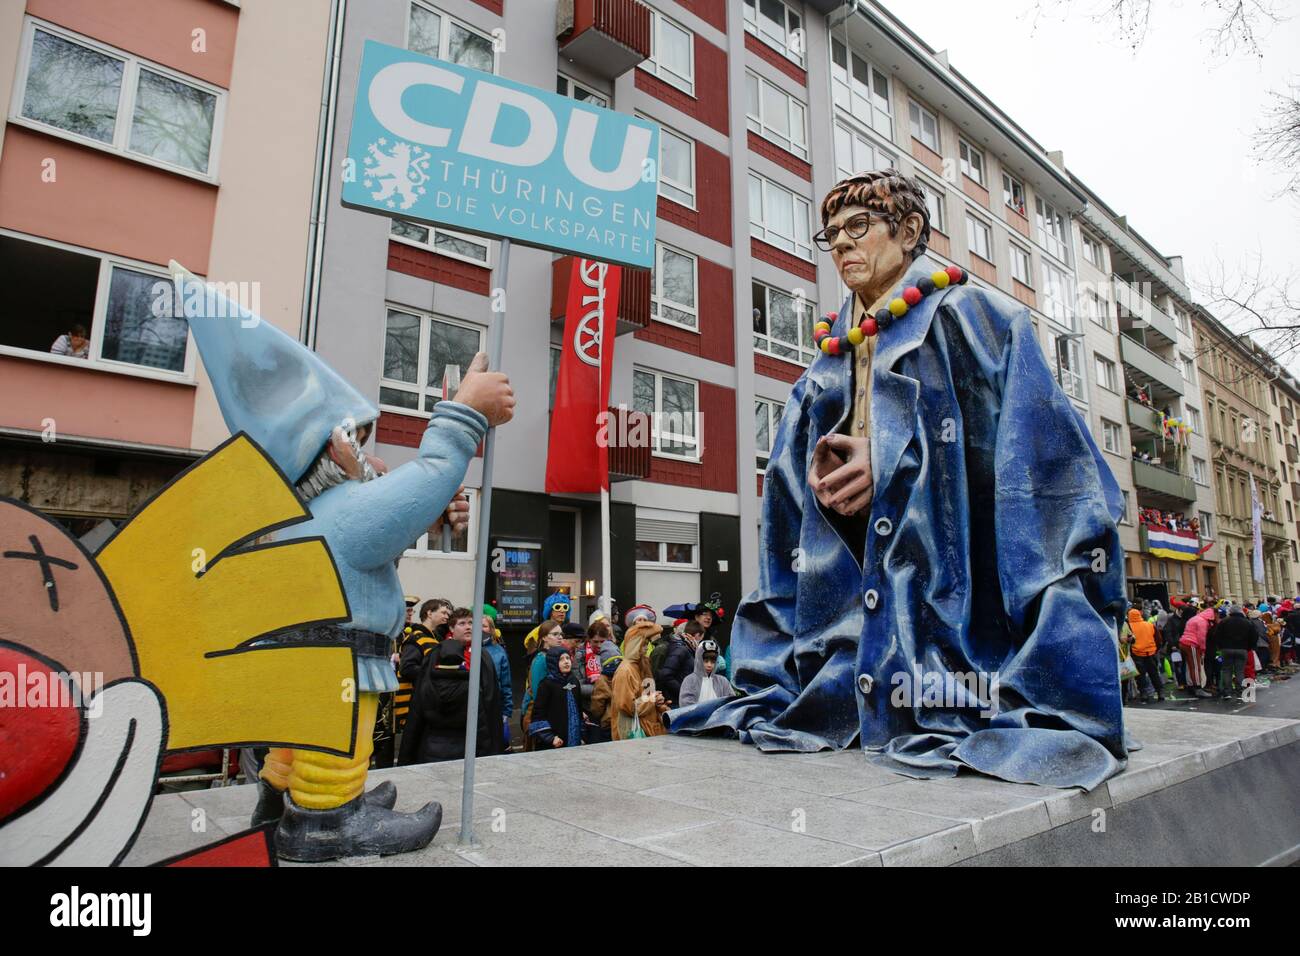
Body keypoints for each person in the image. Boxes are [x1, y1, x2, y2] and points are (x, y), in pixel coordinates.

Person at [670, 169, 1128, 790]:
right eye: (830, 234)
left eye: (858, 227)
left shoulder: (977, 316)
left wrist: (893, 461)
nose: (840, 244)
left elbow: (1040, 462)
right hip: (855, 614)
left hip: (947, 611)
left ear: (910, 231)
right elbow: (784, 502)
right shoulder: (826, 359)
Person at [178, 265, 514, 860]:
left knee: (301, 732)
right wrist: (466, 411)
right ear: (330, 445)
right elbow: (431, 474)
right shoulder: (341, 511)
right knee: (340, 732)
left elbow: (385, 525)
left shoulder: (307, 514)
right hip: (340, 656)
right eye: (357, 439)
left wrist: (430, 519)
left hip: (307, 651)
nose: (366, 452)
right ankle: (328, 819)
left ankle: (280, 803)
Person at [403, 638, 494, 764]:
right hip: (463, 750)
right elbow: (481, 726)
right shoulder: (471, 688)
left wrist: (407, 756)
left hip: (431, 749)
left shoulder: (426, 686)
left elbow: (415, 722)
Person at [610, 618, 669, 739]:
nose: (647, 648)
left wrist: (659, 702)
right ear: (635, 645)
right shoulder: (625, 671)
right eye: (644, 644)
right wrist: (652, 699)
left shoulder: (644, 664)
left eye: (648, 643)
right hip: (631, 733)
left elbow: (648, 694)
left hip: (649, 730)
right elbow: (628, 707)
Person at [394, 598, 446, 732]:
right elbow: (407, 668)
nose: (447, 616)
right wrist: (436, 672)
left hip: (427, 701)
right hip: (414, 704)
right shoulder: (416, 637)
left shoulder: (436, 638)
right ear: (429, 613)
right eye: (443, 612)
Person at [529, 646, 587, 749]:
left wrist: (581, 735)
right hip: (555, 741)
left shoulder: (574, 681)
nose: (566, 662)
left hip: (573, 739)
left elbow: (578, 709)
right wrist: (550, 737)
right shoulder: (546, 684)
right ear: (553, 662)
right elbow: (538, 714)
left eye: (568, 658)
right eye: (561, 659)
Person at [521, 621, 565, 751]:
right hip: (539, 714)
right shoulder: (541, 659)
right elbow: (537, 692)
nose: (560, 637)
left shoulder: (558, 656)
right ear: (544, 637)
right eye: (555, 634)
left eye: (561, 634)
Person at [478, 604, 513, 752]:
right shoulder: (466, 648)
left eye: (485, 626)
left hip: (494, 703)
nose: (481, 629)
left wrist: (506, 711)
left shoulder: (499, 652)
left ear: (491, 630)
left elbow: (506, 683)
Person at [1121, 606, 1163, 703]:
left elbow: (1128, 640)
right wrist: (1155, 649)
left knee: (1140, 676)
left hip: (1137, 653)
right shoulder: (1149, 625)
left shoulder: (1129, 625)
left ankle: (1144, 694)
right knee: (1154, 673)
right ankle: (1160, 692)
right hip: (1151, 653)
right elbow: (1158, 639)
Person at [1214, 604, 1254, 700]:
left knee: (1226, 670)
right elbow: (1254, 636)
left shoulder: (1224, 622)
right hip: (1242, 649)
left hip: (1226, 649)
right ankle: (1240, 691)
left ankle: (1227, 692)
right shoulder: (1247, 622)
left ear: (1230, 612)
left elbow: (1217, 635)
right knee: (1239, 671)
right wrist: (1248, 647)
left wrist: (1220, 646)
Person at [655, 620, 700, 707]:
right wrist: (683, 690)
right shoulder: (681, 649)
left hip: (681, 699)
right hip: (676, 700)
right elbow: (665, 674)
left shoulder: (690, 648)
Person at [679, 639, 734, 707]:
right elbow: (685, 706)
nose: (709, 665)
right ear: (699, 660)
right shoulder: (690, 680)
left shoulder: (723, 681)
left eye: (713, 662)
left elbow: (731, 703)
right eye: (706, 661)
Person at [1180, 604, 1217, 699]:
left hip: (1184, 642)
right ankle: (1198, 688)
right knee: (1196, 667)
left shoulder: (1195, 618)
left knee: (1190, 666)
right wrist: (1203, 649)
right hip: (1192, 644)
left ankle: (1191, 686)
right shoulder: (1202, 622)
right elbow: (1201, 637)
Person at [587, 653, 623, 743]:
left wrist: (597, 717)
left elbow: (597, 705)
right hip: (625, 720)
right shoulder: (624, 675)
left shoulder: (602, 680)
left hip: (609, 722)